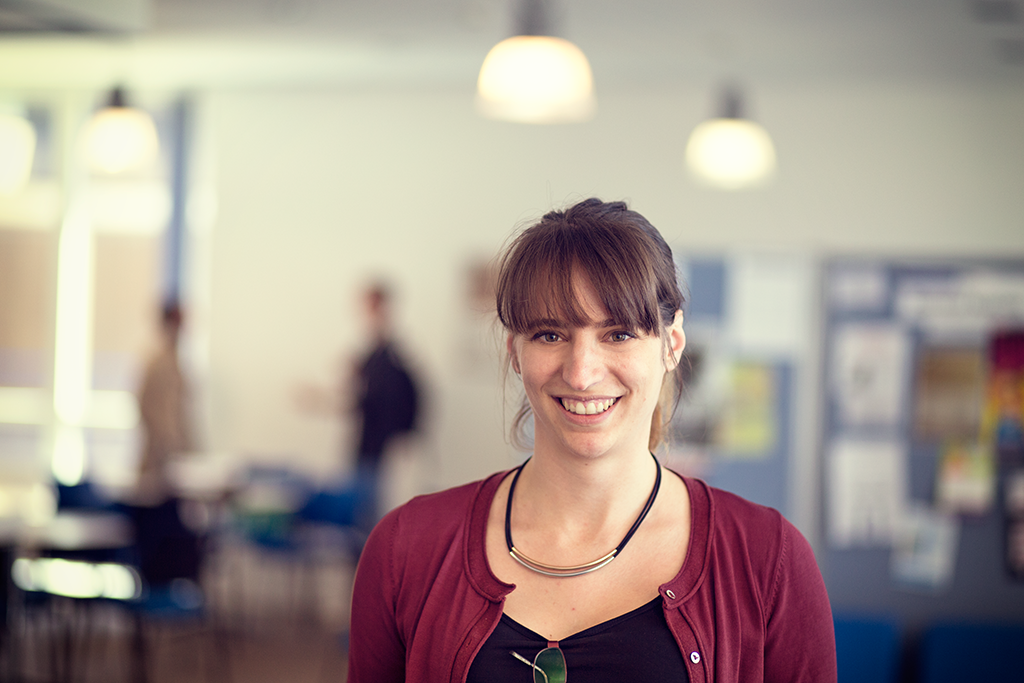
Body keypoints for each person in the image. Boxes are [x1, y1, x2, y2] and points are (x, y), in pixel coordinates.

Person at [347, 198, 836, 682]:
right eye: (550, 335)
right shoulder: (405, 551)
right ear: (515, 350)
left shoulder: (768, 560)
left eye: (618, 334)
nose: (581, 374)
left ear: (672, 344)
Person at [350, 283, 420, 527]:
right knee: (364, 508)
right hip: (370, 442)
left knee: (374, 512)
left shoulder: (391, 355)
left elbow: (393, 398)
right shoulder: (374, 353)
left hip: (383, 445)